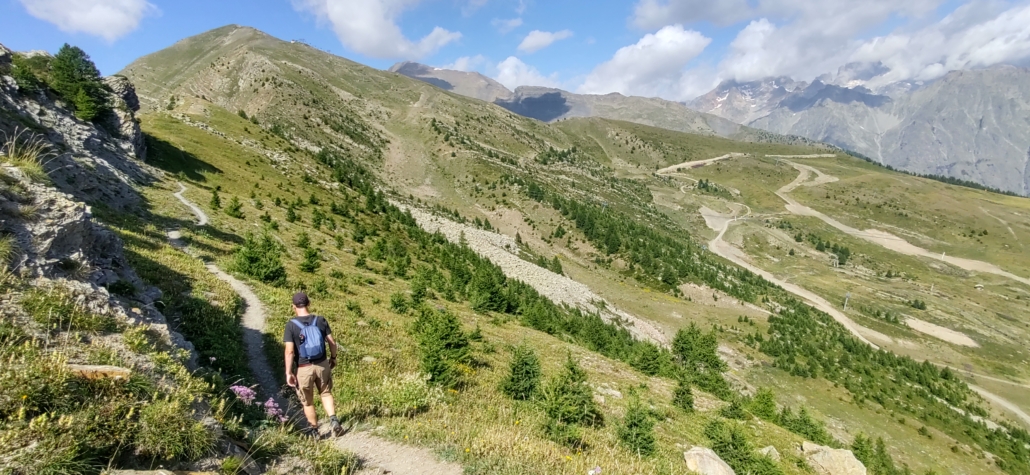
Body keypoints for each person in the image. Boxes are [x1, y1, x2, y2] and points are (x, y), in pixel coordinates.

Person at [283, 291, 344, 437]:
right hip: (322, 364)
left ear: (293, 306)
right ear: (309, 304)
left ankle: (314, 431)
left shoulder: (291, 325)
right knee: (326, 392)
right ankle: (334, 421)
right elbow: (332, 342)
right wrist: (333, 357)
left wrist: (288, 372)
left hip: (304, 368)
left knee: (307, 402)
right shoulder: (320, 320)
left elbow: (289, 351)